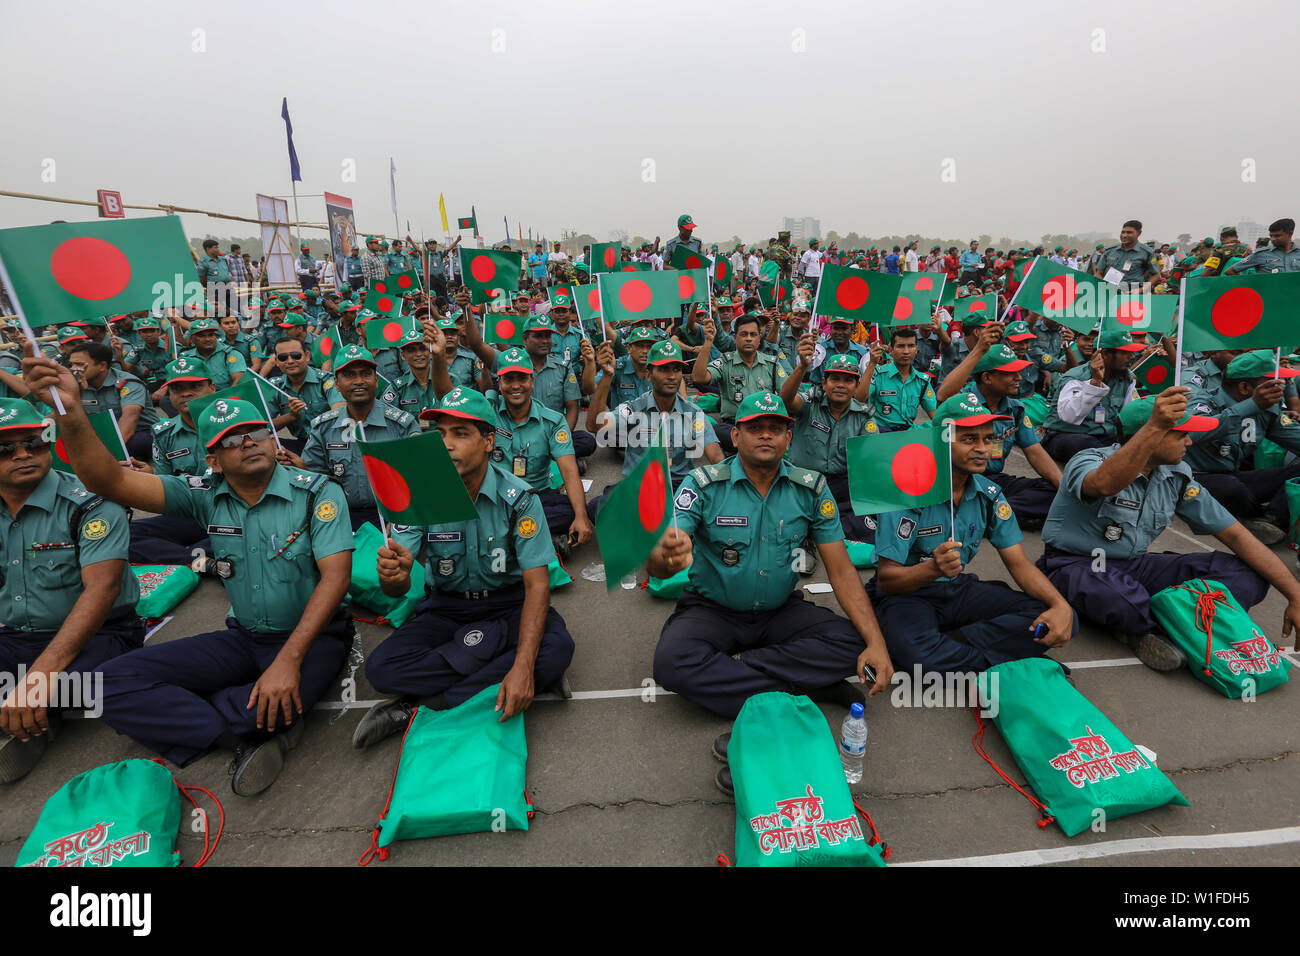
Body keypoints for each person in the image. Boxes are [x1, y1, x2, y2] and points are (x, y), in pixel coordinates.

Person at [23, 350, 355, 796]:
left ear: (275, 440)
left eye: (255, 432)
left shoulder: (316, 492)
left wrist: (288, 662)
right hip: (245, 637)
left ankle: (232, 722)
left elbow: (335, 579)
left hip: (314, 639)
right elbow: (110, 483)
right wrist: (73, 413)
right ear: (213, 460)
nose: (249, 443)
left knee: (270, 700)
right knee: (108, 684)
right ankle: (242, 729)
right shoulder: (204, 494)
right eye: (231, 440)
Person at [646, 391, 894, 795]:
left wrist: (877, 643)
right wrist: (664, 556)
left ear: (788, 437)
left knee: (854, 644)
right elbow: (659, 562)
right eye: (755, 428)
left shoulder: (811, 488)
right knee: (672, 663)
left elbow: (842, 571)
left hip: (779, 611)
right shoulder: (703, 484)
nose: (766, 436)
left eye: (775, 429)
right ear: (736, 435)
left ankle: (745, 674)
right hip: (713, 609)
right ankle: (803, 689)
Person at [352, 388, 575, 748]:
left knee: (557, 649)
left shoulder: (519, 499)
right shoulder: (419, 496)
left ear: (488, 442)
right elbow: (397, 588)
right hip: (448, 608)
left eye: (460, 433)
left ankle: (420, 707)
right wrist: (394, 575)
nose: (447, 444)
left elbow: (537, 587)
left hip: (509, 605)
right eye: (439, 434)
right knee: (381, 668)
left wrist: (522, 666)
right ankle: (505, 674)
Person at [1037, 388, 1300, 671]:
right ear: (1151, 436)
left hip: (1134, 567)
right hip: (1076, 564)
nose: (1189, 441)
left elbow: (1236, 535)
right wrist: (1155, 425)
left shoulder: (1175, 476)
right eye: (1180, 434)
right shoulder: (1089, 460)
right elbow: (1102, 485)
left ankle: (1163, 624)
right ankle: (1176, 624)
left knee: (1248, 575)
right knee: (1109, 592)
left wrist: (1295, 594)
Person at [869, 393, 1076, 674]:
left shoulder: (989, 494)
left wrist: (1059, 604)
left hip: (956, 589)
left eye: (988, 439)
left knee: (1062, 618)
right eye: (969, 439)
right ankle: (1004, 659)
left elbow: (1019, 563)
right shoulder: (908, 491)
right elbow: (888, 580)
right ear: (941, 441)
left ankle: (956, 650)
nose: (982, 449)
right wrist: (931, 569)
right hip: (908, 594)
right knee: (919, 655)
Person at [0, 398, 142, 783]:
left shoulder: (90, 504)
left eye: (36, 442)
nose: (23, 455)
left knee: (101, 686)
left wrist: (40, 674)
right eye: (5, 449)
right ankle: (29, 712)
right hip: (15, 636)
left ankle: (34, 712)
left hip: (98, 637)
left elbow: (102, 588)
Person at [280, 345, 420, 532]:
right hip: (339, 514)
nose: (359, 381)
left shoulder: (401, 424)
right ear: (337, 384)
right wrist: (303, 468)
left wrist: (401, 522)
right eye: (349, 375)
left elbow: (417, 480)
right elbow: (317, 479)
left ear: (376, 380)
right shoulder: (323, 427)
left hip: (392, 517)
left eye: (365, 374)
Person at [586, 339, 723, 520]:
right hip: (640, 485)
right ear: (649, 375)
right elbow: (594, 426)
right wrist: (606, 376)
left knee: (705, 510)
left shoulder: (693, 413)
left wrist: (722, 494)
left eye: (676, 369)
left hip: (679, 486)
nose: (672, 376)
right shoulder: (634, 408)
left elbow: (716, 458)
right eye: (664, 369)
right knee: (598, 507)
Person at [476, 346, 592, 556]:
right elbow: (448, 395)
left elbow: (568, 469)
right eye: (508, 379)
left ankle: (504, 535)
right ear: (499, 383)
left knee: (573, 510)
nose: (516, 385)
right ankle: (531, 535)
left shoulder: (553, 420)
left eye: (522, 378)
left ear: (532, 381)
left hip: (535, 497)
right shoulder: (488, 412)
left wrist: (581, 516)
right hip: (495, 497)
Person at [937, 333, 1062, 524]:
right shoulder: (962, 402)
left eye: (1018, 372)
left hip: (993, 480)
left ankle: (986, 512)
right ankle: (998, 513)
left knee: (1053, 490)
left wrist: (1063, 487)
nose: (1019, 378)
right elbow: (943, 396)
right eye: (1010, 373)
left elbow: (1035, 452)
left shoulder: (1015, 409)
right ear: (987, 377)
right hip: (960, 479)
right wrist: (979, 349)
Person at [1184, 350, 1300, 544]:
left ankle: (1270, 520)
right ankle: (1251, 517)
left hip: (1234, 476)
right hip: (1195, 478)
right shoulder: (1203, 402)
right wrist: (1251, 405)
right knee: (1232, 489)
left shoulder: (1268, 410)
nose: (1279, 386)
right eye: (1270, 382)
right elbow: (1192, 433)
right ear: (1245, 387)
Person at [780, 349, 880, 541]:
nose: (841, 385)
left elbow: (869, 461)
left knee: (867, 531)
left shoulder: (863, 417)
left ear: (856, 386)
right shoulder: (810, 402)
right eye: (835, 379)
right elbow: (785, 401)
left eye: (848, 380)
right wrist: (802, 366)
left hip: (841, 486)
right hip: (803, 482)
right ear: (824, 383)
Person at [128, 356, 219, 566]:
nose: (186, 393)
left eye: (195, 386)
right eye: (177, 389)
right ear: (169, 394)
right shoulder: (163, 434)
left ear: (212, 387)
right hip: (192, 514)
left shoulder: (234, 423)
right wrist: (150, 478)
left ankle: (195, 553)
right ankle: (198, 558)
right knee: (125, 534)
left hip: (232, 509)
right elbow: (167, 493)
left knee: (254, 529)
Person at [692, 311, 789, 453]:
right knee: (717, 431)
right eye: (744, 334)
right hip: (736, 425)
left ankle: (752, 445)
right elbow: (699, 378)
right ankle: (754, 446)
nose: (749, 338)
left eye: (753, 334)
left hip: (766, 425)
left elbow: (788, 393)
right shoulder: (726, 362)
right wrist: (708, 342)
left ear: (759, 337)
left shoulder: (772, 364)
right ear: (735, 338)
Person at [1041, 328, 1144, 461]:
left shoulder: (1125, 378)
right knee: (1086, 446)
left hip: (1102, 437)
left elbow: (1132, 412)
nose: (1132, 356)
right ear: (1105, 354)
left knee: (1136, 447)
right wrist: (1095, 383)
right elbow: (1069, 416)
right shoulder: (1075, 377)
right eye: (1126, 353)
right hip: (1066, 435)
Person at [66, 342, 159, 460]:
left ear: (102, 366)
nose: (74, 369)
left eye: (79, 364)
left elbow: (130, 418)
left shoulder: (128, 383)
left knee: (135, 442)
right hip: (103, 435)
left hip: (139, 433)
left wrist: (107, 455)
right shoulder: (76, 385)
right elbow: (61, 417)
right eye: (71, 365)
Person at [867, 327, 936, 431]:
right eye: (901, 346)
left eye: (911, 346)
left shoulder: (922, 381)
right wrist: (872, 364)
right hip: (880, 435)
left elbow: (934, 415)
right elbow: (859, 399)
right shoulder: (877, 374)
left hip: (908, 436)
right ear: (891, 349)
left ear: (916, 349)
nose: (906, 351)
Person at [179, 318, 247, 390]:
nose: (208, 339)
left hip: (226, 396)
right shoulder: (186, 358)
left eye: (211, 335)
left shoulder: (230, 354)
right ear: (192, 340)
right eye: (201, 336)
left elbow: (239, 381)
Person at [1093, 220, 1158, 290]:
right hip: (1109, 290)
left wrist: (1142, 289)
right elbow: (1098, 273)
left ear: (1139, 233)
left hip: (1133, 292)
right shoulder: (1110, 251)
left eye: (1129, 233)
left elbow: (1156, 275)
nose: (1124, 235)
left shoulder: (1147, 252)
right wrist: (1104, 287)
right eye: (1123, 232)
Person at [1225, 218, 1300, 275]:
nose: (1272, 239)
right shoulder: (1260, 254)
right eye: (1271, 236)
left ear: (1290, 234)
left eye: (1277, 236)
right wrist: (1248, 285)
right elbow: (1230, 271)